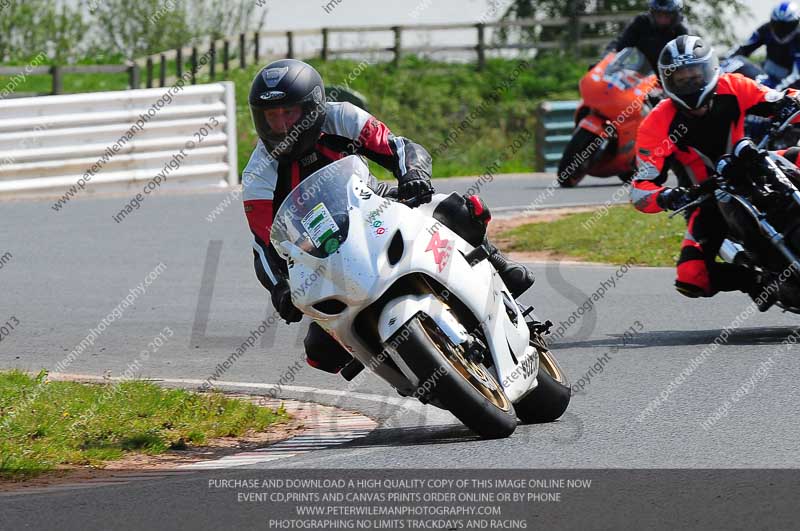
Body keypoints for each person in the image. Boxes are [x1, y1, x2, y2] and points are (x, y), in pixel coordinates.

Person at [242, 59, 535, 374]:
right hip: (324, 253)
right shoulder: (258, 174)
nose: (283, 126)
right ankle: (391, 353)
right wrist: (279, 288)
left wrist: (413, 174)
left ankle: (497, 265)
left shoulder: (342, 117)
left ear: (313, 108)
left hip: (378, 205)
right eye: (273, 117)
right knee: (320, 352)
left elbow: (399, 147)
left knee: (458, 211)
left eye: (290, 113)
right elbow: (264, 243)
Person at [630, 35, 800, 309]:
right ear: (665, 81)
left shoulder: (733, 86)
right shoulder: (656, 124)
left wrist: (792, 103)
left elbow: (777, 99)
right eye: (680, 78)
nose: (688, 82)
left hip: (754, 162)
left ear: (710, 70)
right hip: (706, 197)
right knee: (690, 277)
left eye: (694, 74)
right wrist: (668, 197)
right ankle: (754, 280)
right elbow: (640, 189)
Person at [605, 0, 689, 74]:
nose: (662, 19)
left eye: (667, 15)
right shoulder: (641, 22)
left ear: (675, 15)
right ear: (652, 13)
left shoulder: (681, 31)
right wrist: (605, 61)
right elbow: (620, 44)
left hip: (669, 77)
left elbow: (686, 61)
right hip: (640, 75)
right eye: (659, 14)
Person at [731, 2, 800, 89]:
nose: (782, 30)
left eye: (787, 26)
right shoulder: (766, 29)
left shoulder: (798, 39)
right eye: (777, 25)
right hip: (765, 74)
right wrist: (725, 62)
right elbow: (744, 47)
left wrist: (777, 90)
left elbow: (797, 75)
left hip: (788, 87)